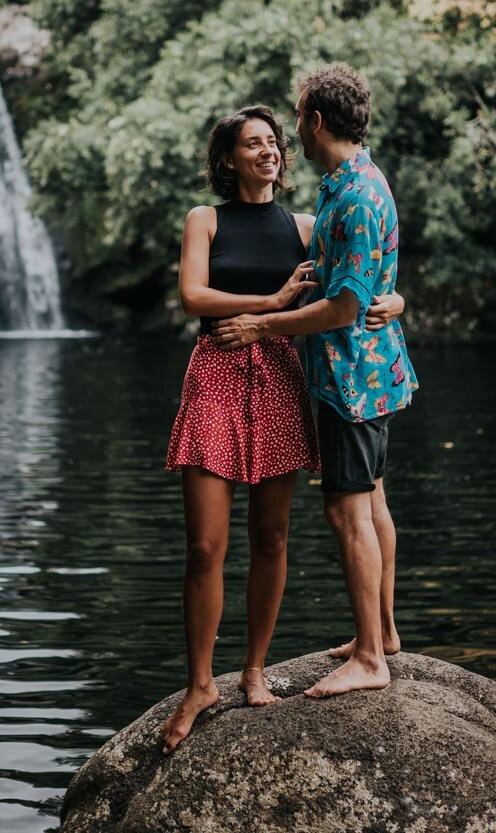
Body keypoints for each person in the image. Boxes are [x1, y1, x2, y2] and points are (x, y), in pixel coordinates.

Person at [160, 104, 405, 752]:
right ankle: (200, 683)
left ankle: (254, 669)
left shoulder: (306, 224)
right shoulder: (204, 220)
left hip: (280, 379)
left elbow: (359, 273)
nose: (268, 150)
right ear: (229, 158)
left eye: (274, 140)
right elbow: (193, 296)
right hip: (215, 374)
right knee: (205, 548)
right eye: (252, 143)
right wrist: (269, 302)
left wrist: (397, 299)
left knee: (270, 537)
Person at [212, 63, 418, 699]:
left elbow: (343, 308)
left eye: (296, 117)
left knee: (346, 507)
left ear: (316, 120)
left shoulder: (354, 195)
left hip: (352, 376)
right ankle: (379, 634)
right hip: (367, 369)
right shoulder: (348, 181)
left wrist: (262, 329)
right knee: (374, 498)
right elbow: (365, 281)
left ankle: (371, 663)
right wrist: (395, 298)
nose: (290, 131)